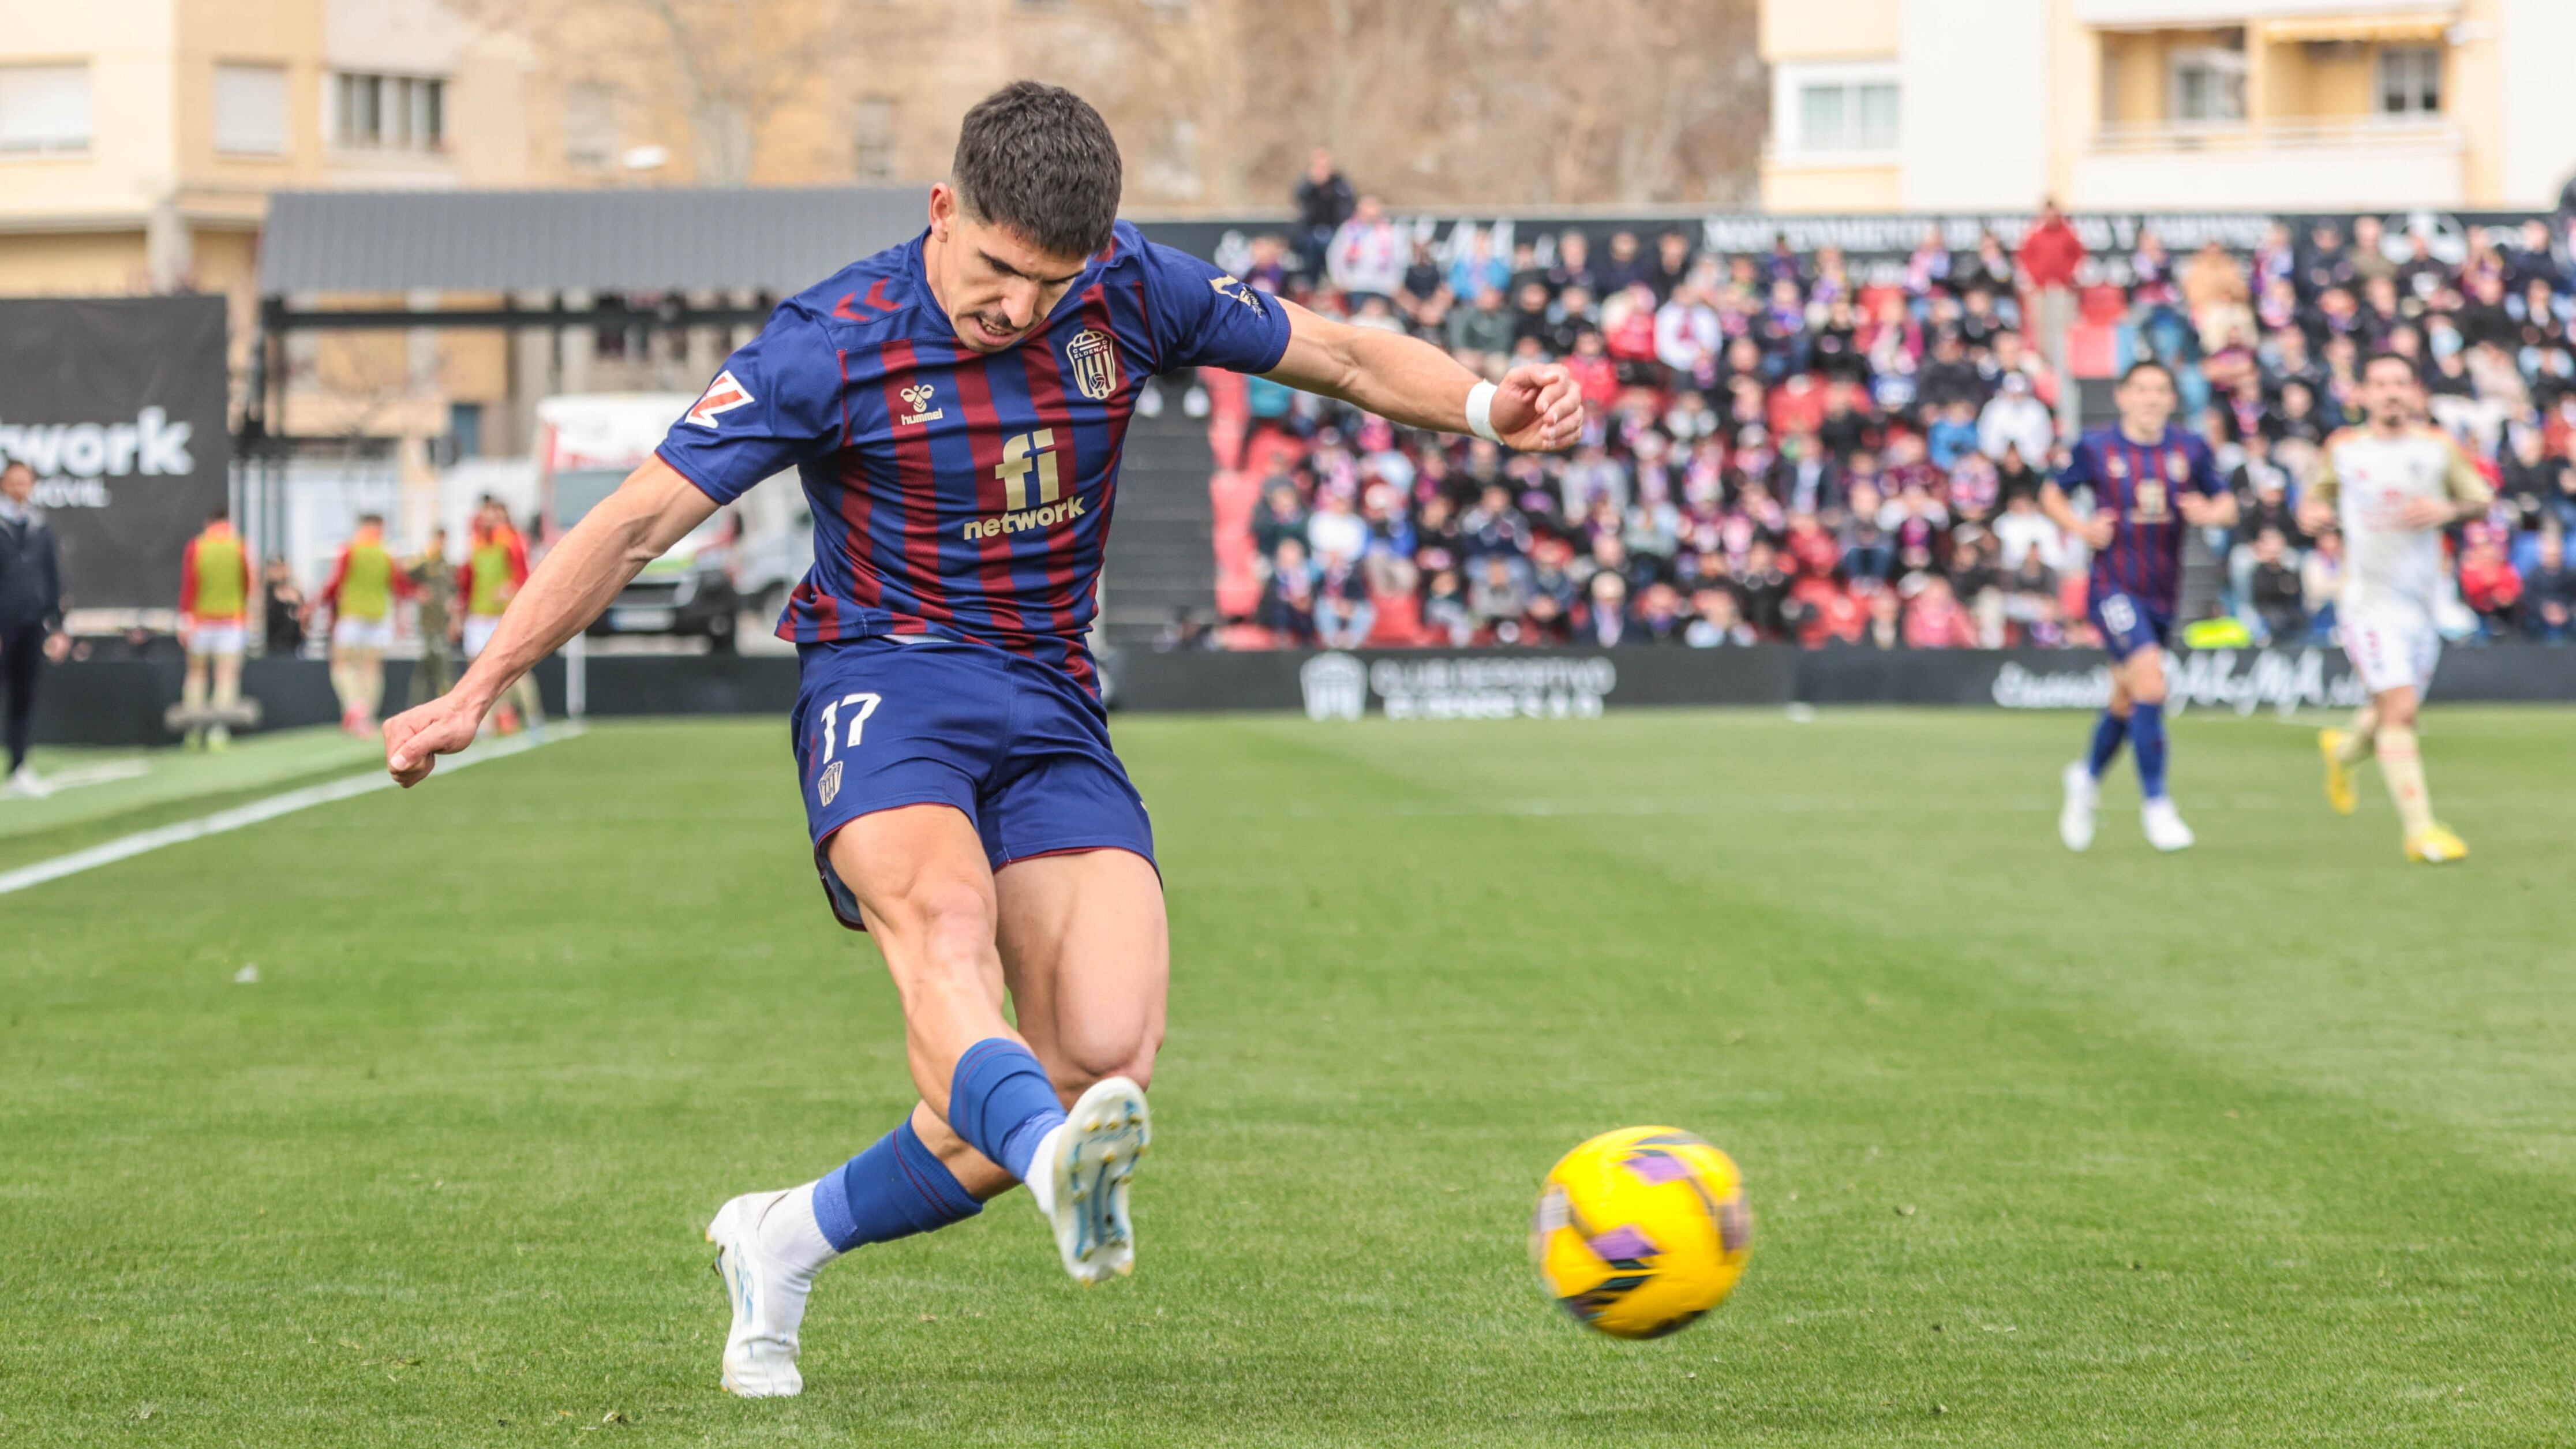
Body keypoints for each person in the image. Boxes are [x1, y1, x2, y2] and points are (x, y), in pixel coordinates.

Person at [376, 83, 1581, 1399]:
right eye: (998, 271)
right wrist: (476, 683)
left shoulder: (1130, 287)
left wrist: (1482, 408)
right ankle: (1057, 1162)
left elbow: (1341, 353)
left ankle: (784, 1234)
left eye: (1049, 285)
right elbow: (630, 524)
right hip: (883, 683)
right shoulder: (825, 342)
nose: (1018, 308)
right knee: (946, 946)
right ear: (941, 209)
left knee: (1097, 1056)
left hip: (1050, 698)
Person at [2302, 353, 2490, 863]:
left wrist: (2447, 510)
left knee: (2391, 710)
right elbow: (2313, 501)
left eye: (2399, 383)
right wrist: (2315, 513)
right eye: (2380, 383)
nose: (2390, 392)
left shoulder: (2437, 448)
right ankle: (2421, 831)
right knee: (2401, 710)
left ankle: (2340, 753)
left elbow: (2482, 498)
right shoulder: (2343, 449)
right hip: (2367, 604)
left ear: (2414, 393)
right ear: (2361, 392)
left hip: (2421, 606)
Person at [2045, 360, 2237, 853]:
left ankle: (2085, 778)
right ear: (2124, 396)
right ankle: (2157, 805)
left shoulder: (2189, 449)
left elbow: (2228, 505)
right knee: (2152, 682)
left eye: (2160, 391)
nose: (2151, 399)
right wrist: (2082, 529)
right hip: (2112, 587)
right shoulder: (2096, 446)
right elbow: (2051, 493)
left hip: (2162, 591)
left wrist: (2209, 511)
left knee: (2128, 700)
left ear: (2172, 400)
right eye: (2142, 390)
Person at [309, 512, 411, 736]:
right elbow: (399, 588)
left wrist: (316, 603)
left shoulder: (351, 550)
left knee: (342, 664)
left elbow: (335, 583)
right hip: (379, 617)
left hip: (353, 616)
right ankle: (368, 717)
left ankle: (355, 709)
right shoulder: (387, 553)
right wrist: (400, 620)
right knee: (371, 668)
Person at [0, 460, 67, 796]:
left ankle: (18, 766)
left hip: (30, 625)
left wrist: (56, 625)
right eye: (12, 482)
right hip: (3, 626)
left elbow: (51, 578)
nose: (17, 488)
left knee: (23, 698)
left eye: (24, 482)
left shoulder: (40, 527)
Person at [457, 497, 543, 735]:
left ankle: (531, 716)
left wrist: (510, 588)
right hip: (479, 614)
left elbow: (524, 577)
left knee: (514, 669)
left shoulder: (512, 542)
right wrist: (460, 612)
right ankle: (486, 721)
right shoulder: (477, 543)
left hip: (503, 614)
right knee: (476, 670)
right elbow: (468, 581)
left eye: (496, 513)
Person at [177, 503, 253, 750]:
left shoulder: (197, 546)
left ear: (208, 523)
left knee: (196, 673)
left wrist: (186, 620)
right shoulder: (239, 546)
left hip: (201, 621)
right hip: (231, 621)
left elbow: (190, 585)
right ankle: (218, 731)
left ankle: (193, 728)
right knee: (226, 675)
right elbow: (248, 584)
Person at [407, 527, 458, 707]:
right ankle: (443, 701)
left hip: (442, 622)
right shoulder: (423, 564)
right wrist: (417, 592)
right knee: (439, 661)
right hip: (428, 623)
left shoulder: (448, 567)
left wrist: (454, 617)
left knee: (430, 663)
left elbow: (455, 593)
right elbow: (404, 579)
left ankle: (421, 703)